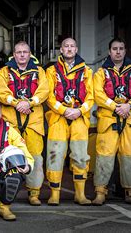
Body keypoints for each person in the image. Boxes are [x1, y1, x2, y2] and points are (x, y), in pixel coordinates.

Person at [92, 37, 131, 206]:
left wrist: (128, 106)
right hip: (108, 121)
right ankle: (100, 193)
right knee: (104, 157)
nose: (118, 51)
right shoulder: (101, 73)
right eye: (114, 48)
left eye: (121, 48)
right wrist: (115, 106)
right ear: (109, 51)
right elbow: (98, 94)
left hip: (130, 121)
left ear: (125, 51)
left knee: (130, 157)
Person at [0, 41, 49, 205]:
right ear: (14, 54)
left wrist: (30, 102)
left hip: (33, 122)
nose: (22, 55)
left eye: (25, 52)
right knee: (7, 156)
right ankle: (5, 192)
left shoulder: (39, 71)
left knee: (35, 157)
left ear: (29, 53)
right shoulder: (4, 71)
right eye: (18, 52)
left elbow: (44, 90)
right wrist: (16, 103)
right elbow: (1, 92)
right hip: (11, 122)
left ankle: (34, 193)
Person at [45, 37, 93, 206]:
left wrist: (79, 110)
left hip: (79, 117)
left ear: (76, 49)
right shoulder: (51, 71)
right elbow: (48, 96)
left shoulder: (87, 71)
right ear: (61, 50)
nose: (69, 49)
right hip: (58, 118)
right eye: (66, 46)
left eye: (72, 46)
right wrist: (64, 110)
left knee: (80, 156)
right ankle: (54, 194)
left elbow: (91, 96)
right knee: (54, 155)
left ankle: (80, 194)